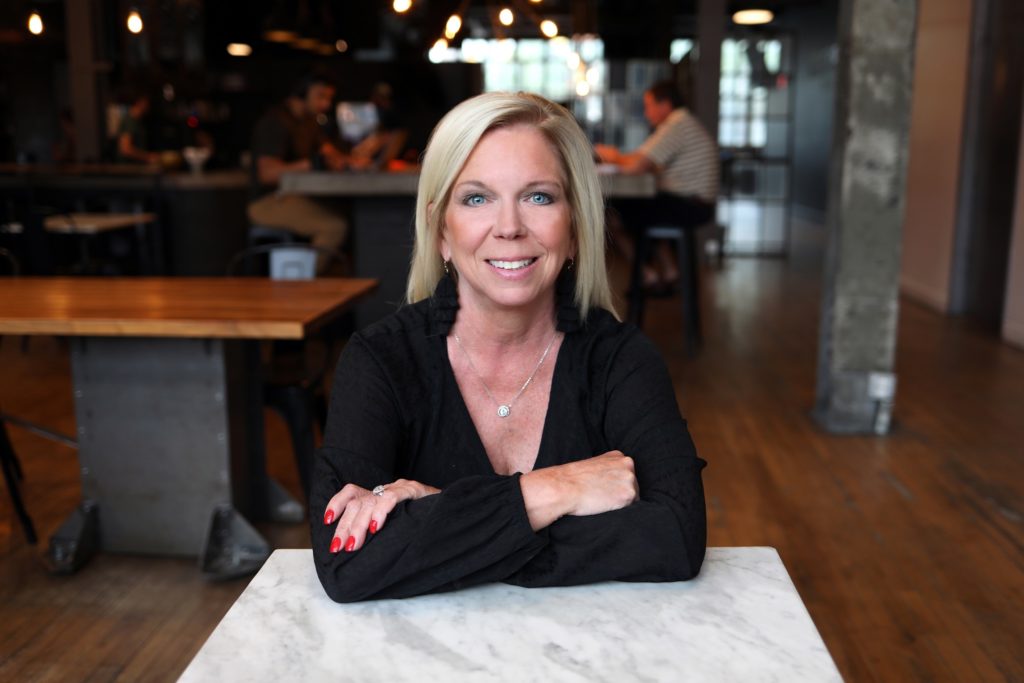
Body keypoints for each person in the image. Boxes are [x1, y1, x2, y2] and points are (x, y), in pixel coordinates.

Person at [310, 91, 707, 603]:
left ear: (576, 226)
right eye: (477, 199)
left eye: (538, 197)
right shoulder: (381, 360)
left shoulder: (621, 359)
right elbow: (347, 562)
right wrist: (552, 490)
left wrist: (440, 516)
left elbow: (674, 536)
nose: (509, 227)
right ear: (440, 231)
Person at [595, 80, 719, 290]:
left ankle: (647, 274)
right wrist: (618, 158)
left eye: (649, 105)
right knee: (643, 209)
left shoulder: (677, 125)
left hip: (689, 204)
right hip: (692, 202)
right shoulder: (682, 122)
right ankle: (669, 271)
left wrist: (612, 156)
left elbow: (638, 165)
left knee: (612, 214)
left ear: (665, 104)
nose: (647, 113)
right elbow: (642, 158)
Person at [248, 73, 349, 267]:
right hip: (267, 201)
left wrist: (354, 159)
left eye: (329, 98)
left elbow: (330, 153)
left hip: (294, 197)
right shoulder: (275, 121)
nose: (326, 104)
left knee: (345, 213)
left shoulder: (309, 122)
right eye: (321, 96)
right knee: (334, 227)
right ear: (302, 91)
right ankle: (300, 279)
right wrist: (311, 164)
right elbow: (267, 174)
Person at [116, 93, 159, 165]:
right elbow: (125, 149)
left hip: (135, 166)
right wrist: (148, 157)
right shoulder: (130, 121)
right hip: (129, 167)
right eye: (147, 103)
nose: (149, 106)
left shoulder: (138, 121)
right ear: (140, 102)